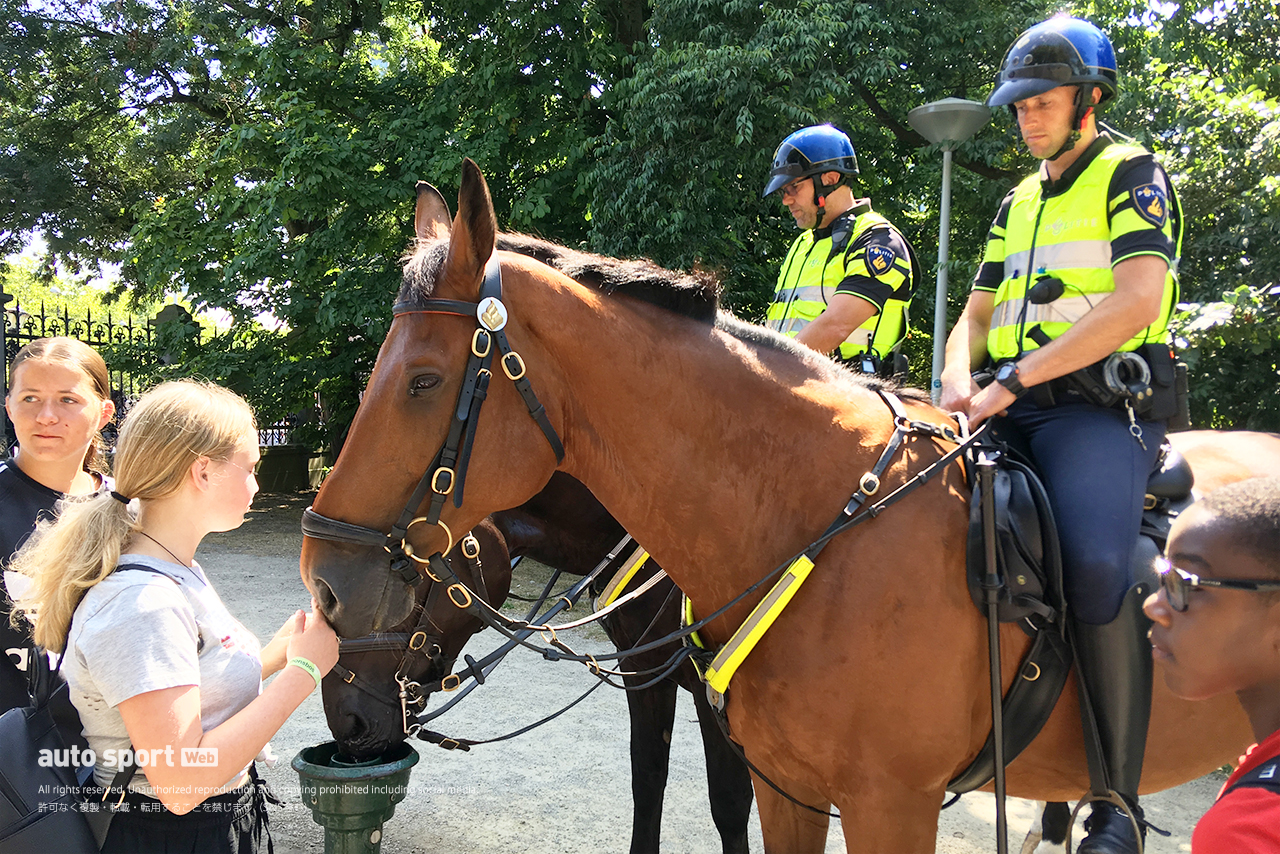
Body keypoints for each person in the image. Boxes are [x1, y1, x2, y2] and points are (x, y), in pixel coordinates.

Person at [938, 16, 1183, 854]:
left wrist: (1013, 380)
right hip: (1003, 405)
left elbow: (1137, 300)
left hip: (1093, 413)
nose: (1024, 117)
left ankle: (1117, 800)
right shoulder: (1017, 201)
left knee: (1095, 564)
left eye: (1040, 102)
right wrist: (956, 379)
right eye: (1017, 106)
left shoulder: (1130, 171)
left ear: (1089, 100)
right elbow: (974, 316)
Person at [9, 380, 338, 853]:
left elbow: (191, 693)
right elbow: (180, 782)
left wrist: (279, 655)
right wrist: (305, 674)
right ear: (202, 471)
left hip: (202, 822)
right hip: (166, 832)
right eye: (249, 468)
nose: (257, 485)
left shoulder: (171, 566)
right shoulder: (141, 602)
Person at [1144, 476, 1280, 852]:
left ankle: (1110, 796)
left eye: (1186, 583)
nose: (1151, 605)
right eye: (1161, 576)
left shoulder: (1246, 831)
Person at [1, 337, 116, 715]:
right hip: (16, 754)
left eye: (68, 399)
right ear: (9, 407)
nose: (46, 415)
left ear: (103, 412)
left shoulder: (132, 510)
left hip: (120, 747)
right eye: (30, 398)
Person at [761, 124, 919, 375]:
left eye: (794, 188)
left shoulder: (877, 241)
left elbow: (835, 326)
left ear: (830, 179)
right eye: (783, 191)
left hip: (850, 396)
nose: (786, 199)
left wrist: (764, 372)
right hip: (793, 387)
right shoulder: (804, 243)